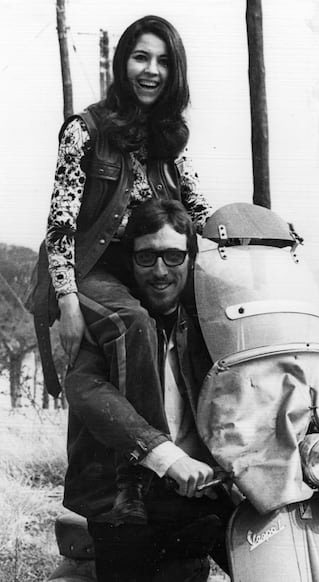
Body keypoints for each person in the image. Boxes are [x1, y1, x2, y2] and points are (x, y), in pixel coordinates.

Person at [32, 15, 211, 519]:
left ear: (175, 72)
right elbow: (60, 224)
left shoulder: (171, 140)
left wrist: (247, 241)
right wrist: (66, 300)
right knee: (131, 323)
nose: (151, 70)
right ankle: (142, 473)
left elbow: (199, 212)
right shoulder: (84, 130)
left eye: (163, 60)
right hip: (84, 267)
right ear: (121, 63)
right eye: (140, 57)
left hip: (139, 270)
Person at [63, 199, 233, 582]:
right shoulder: (109, 325)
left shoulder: (211, 326)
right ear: (130, 261)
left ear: (192, 259)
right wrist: (167, 458)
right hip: (124, 503)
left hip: (203, 489)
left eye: (173, 257)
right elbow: (87, 390)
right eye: (147, 258)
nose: (160, 272)